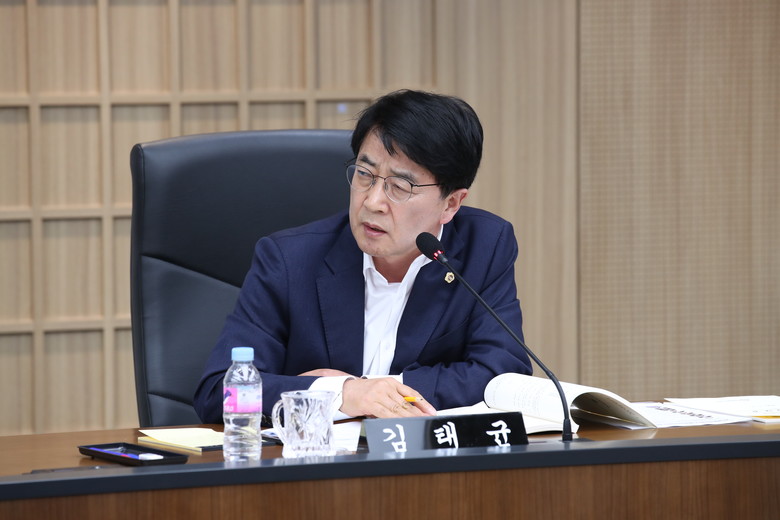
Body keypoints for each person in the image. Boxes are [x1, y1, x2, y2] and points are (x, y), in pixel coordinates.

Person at [193, 89, 532, 424]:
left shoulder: (484, 246)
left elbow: (503, 374)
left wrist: (373, 393)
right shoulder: (288, 259)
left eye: (399, 187)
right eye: (364, 175)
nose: (372, 202)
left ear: (451, 204)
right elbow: (222, 392)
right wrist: (342, 394)